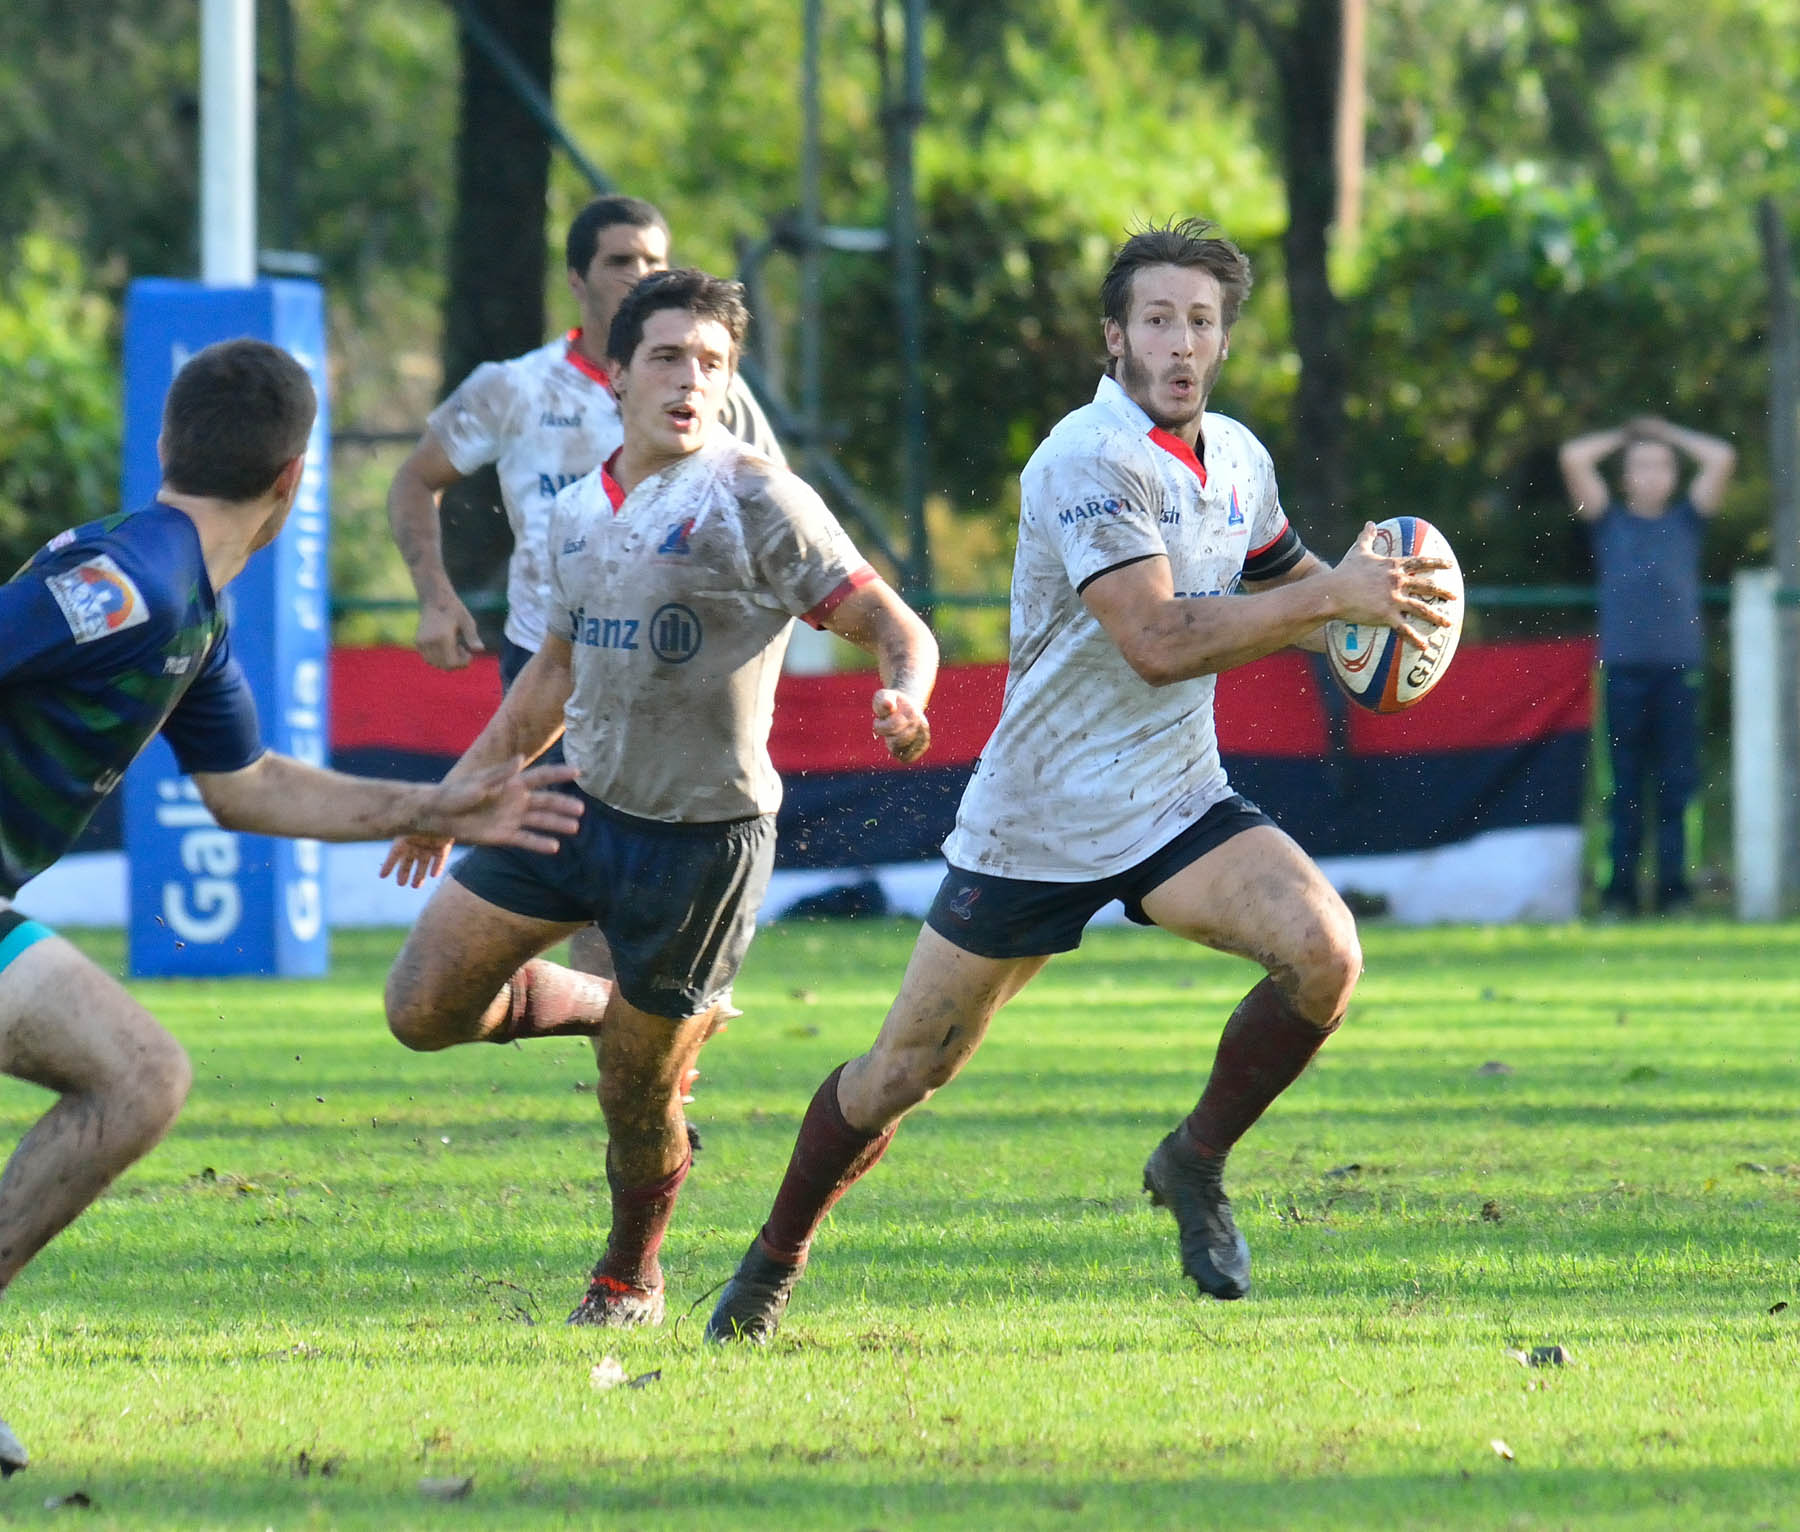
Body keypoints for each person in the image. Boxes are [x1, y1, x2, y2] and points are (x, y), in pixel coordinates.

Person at [705, 219, 1454, 1344]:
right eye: (1157, 319)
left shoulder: (1239, 457)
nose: (1181, 342)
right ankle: (773, 1258)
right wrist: (1327, 605)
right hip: (1037, 818)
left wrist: (1373, 614)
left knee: (1324, 953)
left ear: (1225, 341)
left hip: (1174, 801)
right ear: (1115, 339)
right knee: (905, 1069)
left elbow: (1288, 578)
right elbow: (1154, 637)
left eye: (1202, 321)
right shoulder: (1082, 459)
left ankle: (1192, 1160)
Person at [0, 339, 587, 1476]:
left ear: (169, 445)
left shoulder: (187, 607)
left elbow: (247, 786)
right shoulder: (134, 584)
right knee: (138, 1075)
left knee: (140, 1075)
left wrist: (440, 804)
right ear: (294, 478)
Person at [379, 268, 938, 1329]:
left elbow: (896, 624)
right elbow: (551, 676)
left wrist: (903, 693)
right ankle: (613, 1004)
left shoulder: (757, 495)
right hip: (575, 806)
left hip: (700, 848)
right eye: (671, 357)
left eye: (715, 364)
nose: (694, 381)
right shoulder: (577, 508)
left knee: (634, 1100)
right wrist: (455, 798)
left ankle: (630, 1270)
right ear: (618, 373)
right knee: (420, 1005)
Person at [387, 194, 782, 1035]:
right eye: (621, 261)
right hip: (553, 657)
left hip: (677, 671)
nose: (643, 274)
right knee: (579, 878)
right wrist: (435, 594)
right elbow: (414, 479)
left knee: (628, 888)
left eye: (655, 260)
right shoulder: (515, 387)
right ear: (576, 278)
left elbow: (777, 514)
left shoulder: (716, 388)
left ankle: (653, 1068)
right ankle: (643, 1040)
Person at [1558, 417, 1734, 917]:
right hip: (1620, 670)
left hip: (1681, 669)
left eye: (1661, 466)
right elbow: (1574, 456)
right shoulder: (1607, 521)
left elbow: (1721, 457)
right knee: (1623, 787)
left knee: (1679, 786)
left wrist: (1670, 433)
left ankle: (1677, 893)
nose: (1652, 475)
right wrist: (1628, 434)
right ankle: (1618, 894)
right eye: (1641, 465)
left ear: (1675, 476)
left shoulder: (1688, 520)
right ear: (1624, 476)